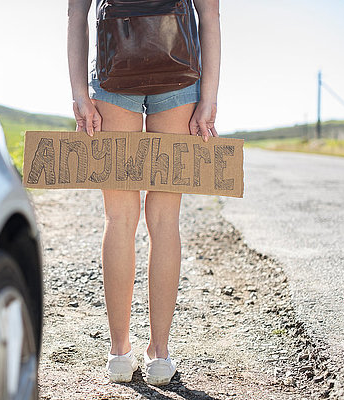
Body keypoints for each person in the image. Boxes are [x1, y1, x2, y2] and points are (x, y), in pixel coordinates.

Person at [67, 0, 221, 385]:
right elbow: (210, 14)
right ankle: (160, 355)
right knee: (165, 221)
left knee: (119, 218)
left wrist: (79, 94)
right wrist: (209, 97)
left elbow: (76, 15)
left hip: (112, 74)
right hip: (180, 76)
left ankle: (119, 353)